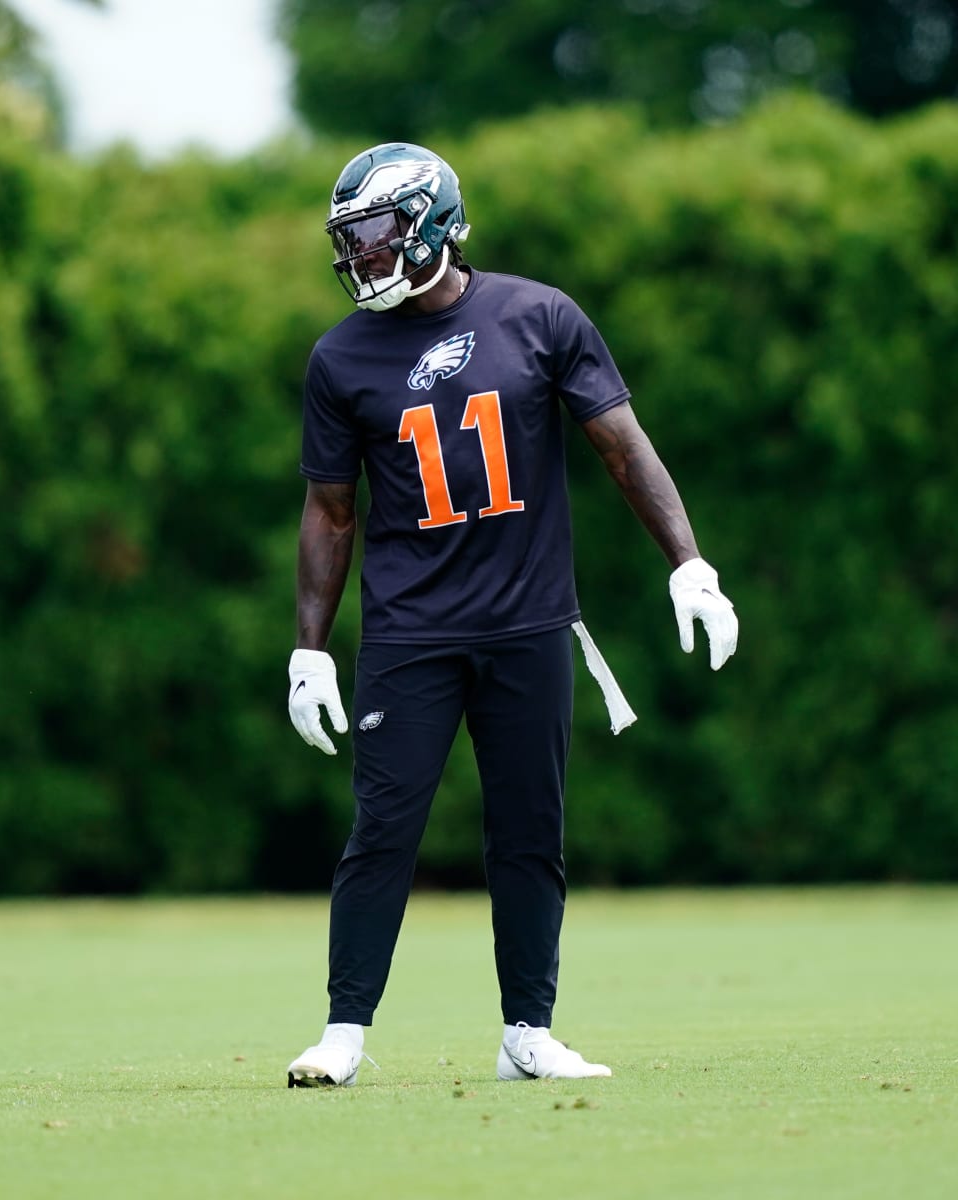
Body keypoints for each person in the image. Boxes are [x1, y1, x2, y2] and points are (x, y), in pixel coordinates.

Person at [282, 143, 737, 1088]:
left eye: (375, 235)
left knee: (530, 833)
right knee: (383, 829)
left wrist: (689, 562)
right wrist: (309, 652)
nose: (362, 257)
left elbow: (623, 448)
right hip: (411, 631)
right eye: (351, 241)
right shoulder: (340, 356)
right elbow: (331, 512)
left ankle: (528, 1030)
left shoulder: (539, 315)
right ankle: (344, 1031)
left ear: (434, 222)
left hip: (529, 622)